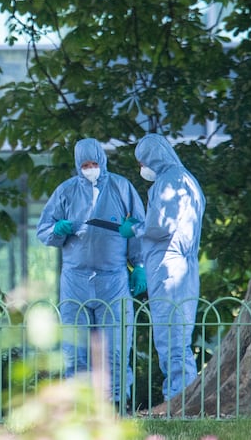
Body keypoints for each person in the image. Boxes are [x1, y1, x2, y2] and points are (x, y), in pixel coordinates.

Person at [37, 138, 146, 410]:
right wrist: (57, 231)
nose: (90, 169)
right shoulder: (65, 191)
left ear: (102, 161)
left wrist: (139, 265)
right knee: (76, 349)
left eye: (94, 164)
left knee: (116, 348)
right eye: (85, 165)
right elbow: (44, 230)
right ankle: (79, 407)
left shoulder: (121, 188)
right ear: (77, 165)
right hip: (75, 280)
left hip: (115, 278)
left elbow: (140, 226)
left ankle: (117, 406)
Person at [119, 133, 205, 401]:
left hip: (169, 268)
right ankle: (185, 398)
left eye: (142, 161)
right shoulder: (189, 179)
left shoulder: (169, 181)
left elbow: (160, 225)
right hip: (184, 267)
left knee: (171, 339)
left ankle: (178, 402)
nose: (142, 168)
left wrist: (134, 227)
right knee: (180, 336)